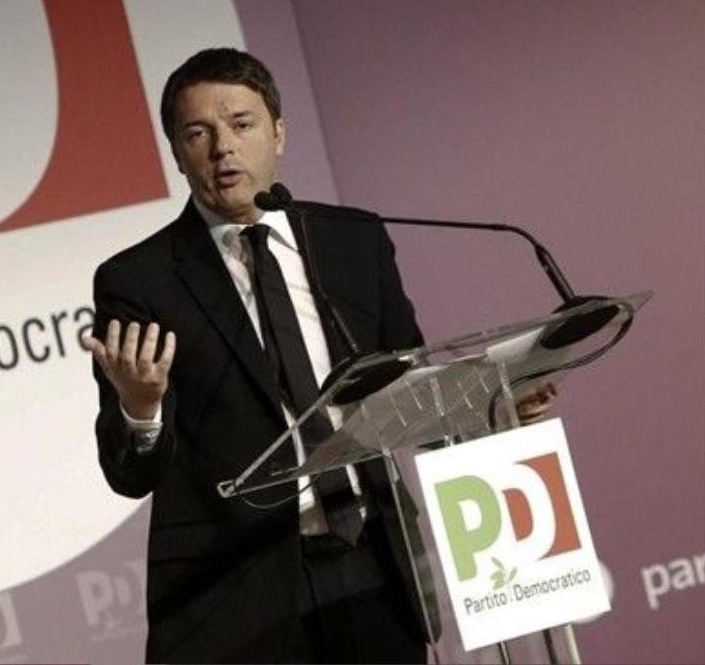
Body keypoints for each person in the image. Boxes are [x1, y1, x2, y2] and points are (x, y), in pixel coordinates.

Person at [79, 48, 552, 664]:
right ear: (176, 151)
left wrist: (493, 407)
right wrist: (142, 410)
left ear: (278, 133)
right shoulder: (139, 280)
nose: (223, 148)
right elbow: (129, 473)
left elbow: (408, 383)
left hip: (374, 563)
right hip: (235, 590)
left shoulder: (350, 241)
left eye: (242, 125)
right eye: (199, 133)